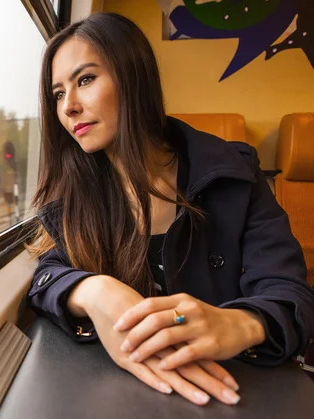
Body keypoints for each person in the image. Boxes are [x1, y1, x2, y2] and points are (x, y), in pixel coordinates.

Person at [26, 12, 314, 407]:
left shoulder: (234, 173)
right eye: (58, 94)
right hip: (130, 395)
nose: (69, 107)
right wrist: (97, 291)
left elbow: (290, 292)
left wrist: (239, 323)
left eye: (85, 80)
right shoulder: (72, 198)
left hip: (236, 387)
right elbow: (46, 275)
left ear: (133, 77)